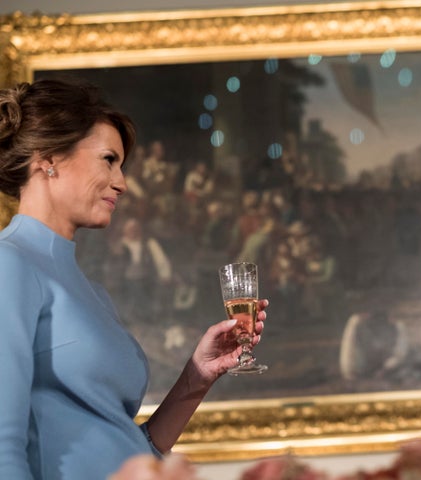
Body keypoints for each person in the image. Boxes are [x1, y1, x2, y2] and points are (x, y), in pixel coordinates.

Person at [0, 78, 268, 479]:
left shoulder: (94, 293)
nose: (122, 182)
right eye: (108, 160)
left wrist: (199, 374)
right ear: (47, 158)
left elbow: (133, 448)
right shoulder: (9, 263)